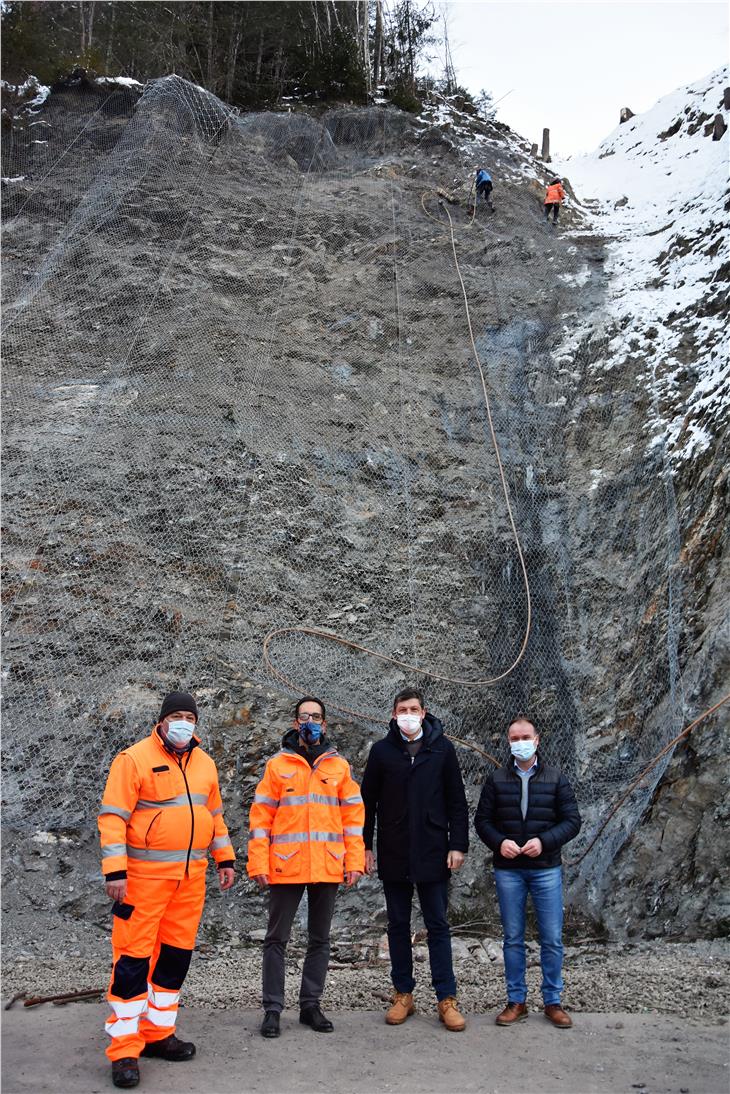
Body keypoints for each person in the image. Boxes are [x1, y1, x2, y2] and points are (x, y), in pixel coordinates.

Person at [98, 691, 235, 1089]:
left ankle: (159, 1034)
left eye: (189, 717)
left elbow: (214, 816)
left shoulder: (204, 763)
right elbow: (112, 818)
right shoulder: (134, 759)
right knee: (132, 962)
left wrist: (224, 859)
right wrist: (115, 872)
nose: (183, 723)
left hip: (190, 880)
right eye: (175, 715)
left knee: (174, 960)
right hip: (142, 881)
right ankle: (124, 1048)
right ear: (161, 721)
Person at [247, 696, 365, 1039]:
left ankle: (310, 1005)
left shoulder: (338, 767)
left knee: (320, 939)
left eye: (315, 716)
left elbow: (353, 819)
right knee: (276, 939)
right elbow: (260, 818)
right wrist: (258, 861)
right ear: (295, 722)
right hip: (286, 865)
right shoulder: (277, 766)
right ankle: (272, 1009)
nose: (309, 721)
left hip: (327, 866)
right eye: (303, 716)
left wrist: (354, 860)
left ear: (324, 724)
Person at [361, 687, 469, 1031]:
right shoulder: (381, 752)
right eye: (402, 709)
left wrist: (458, 845)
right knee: (397, 926)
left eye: (414, 709)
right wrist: (364, 847)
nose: (408, 714)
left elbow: (457, 801)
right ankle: (403, 994)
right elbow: (367, 805)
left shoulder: (442, 749)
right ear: (394, 714)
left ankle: (446, 998)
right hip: (394, 851)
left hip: (434, 851)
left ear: (424, 713)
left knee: (437, 925)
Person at [474, 715, 581, 1029]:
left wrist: (544, 841)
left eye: (525, 737)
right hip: (509, 870)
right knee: (513, 939)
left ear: (537, 740)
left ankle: (553, 1001)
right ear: (509, 742)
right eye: (514, 738)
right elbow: (482, 821)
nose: (519, 743)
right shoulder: (496, 780)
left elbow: (572, 821)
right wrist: (500, 842)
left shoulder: (557, 778)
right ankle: (516, 1001)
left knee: (551, 938)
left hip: (546, 868)